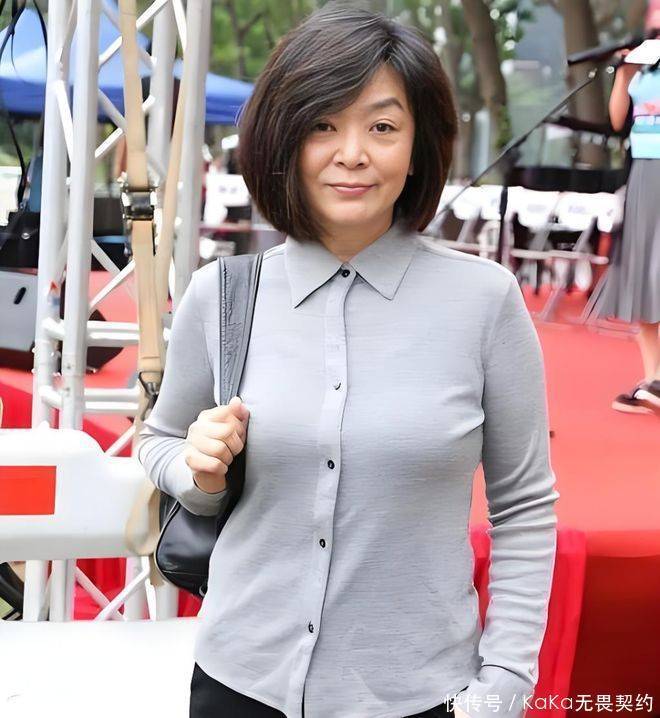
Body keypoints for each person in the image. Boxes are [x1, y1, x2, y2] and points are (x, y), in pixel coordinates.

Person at [137, 4, 560, 717]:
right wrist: (196, 468)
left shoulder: (485, 302)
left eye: (383, 127)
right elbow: (160, 441)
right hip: (239, 683)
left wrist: (504, 686)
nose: (353, 153)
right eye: (323, 125)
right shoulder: (223, 295)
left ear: (419, 147)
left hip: (417, 694)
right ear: (283, 141)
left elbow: (524, 506)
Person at [595, 5, 660, 414]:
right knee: (643, 274)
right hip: (644, 171)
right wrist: (624, 73)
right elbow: (618, 119)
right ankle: (653, 379)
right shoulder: (644, 64)